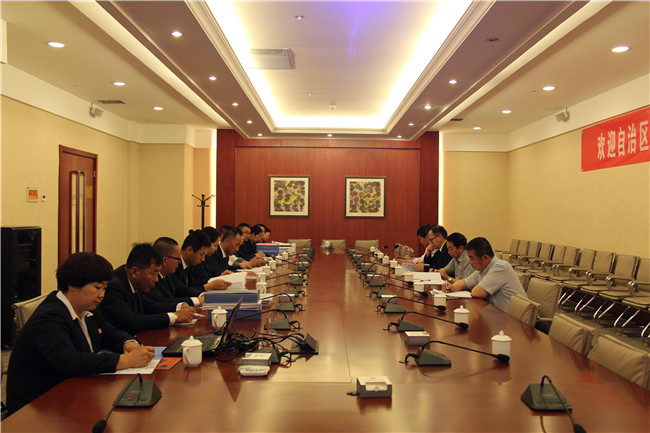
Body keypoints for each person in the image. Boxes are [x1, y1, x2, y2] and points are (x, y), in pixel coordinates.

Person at [6, 252, 155, 414]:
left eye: (104, 288)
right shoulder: (49, 316)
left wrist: (129, 343)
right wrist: (125, 360)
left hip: (73, 392)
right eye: (97, 287)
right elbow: (69, 361)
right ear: (72, 285)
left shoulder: (87, 309)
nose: (102, 294)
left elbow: (109, 332)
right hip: (38, 408)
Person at [100, 243, 196, 334]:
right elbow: (132, 321)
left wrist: (180, 307)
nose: (156, 279)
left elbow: (150, 306)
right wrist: (174, 317)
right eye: (153, 273)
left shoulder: (134, 281)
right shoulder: (113, 287)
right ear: (134, 272)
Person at [442, 237, 527, 312]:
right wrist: (451, 287)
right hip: (496, 314)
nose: (470, 262)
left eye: (471, 258)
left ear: (485, 258)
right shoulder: (482, 270)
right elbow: (464, 282)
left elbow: (477, 292)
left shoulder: (500, 267)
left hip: (512, 320)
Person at [170, 230, 231, 296]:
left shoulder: (187, 264)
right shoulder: (174, 266)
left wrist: (214, 281)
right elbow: (181, 291)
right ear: (189, 250)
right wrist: (207, 287)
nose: (203, 259)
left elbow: (193, 283)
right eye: (201, 255)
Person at [147, 237, 204, 308]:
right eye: (178, 258)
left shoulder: (168, 275)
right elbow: (162, 302)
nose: (179, 262)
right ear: (165, 260)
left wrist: (202, 296)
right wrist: (196, 301)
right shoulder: (151, 280)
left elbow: (183, 290)